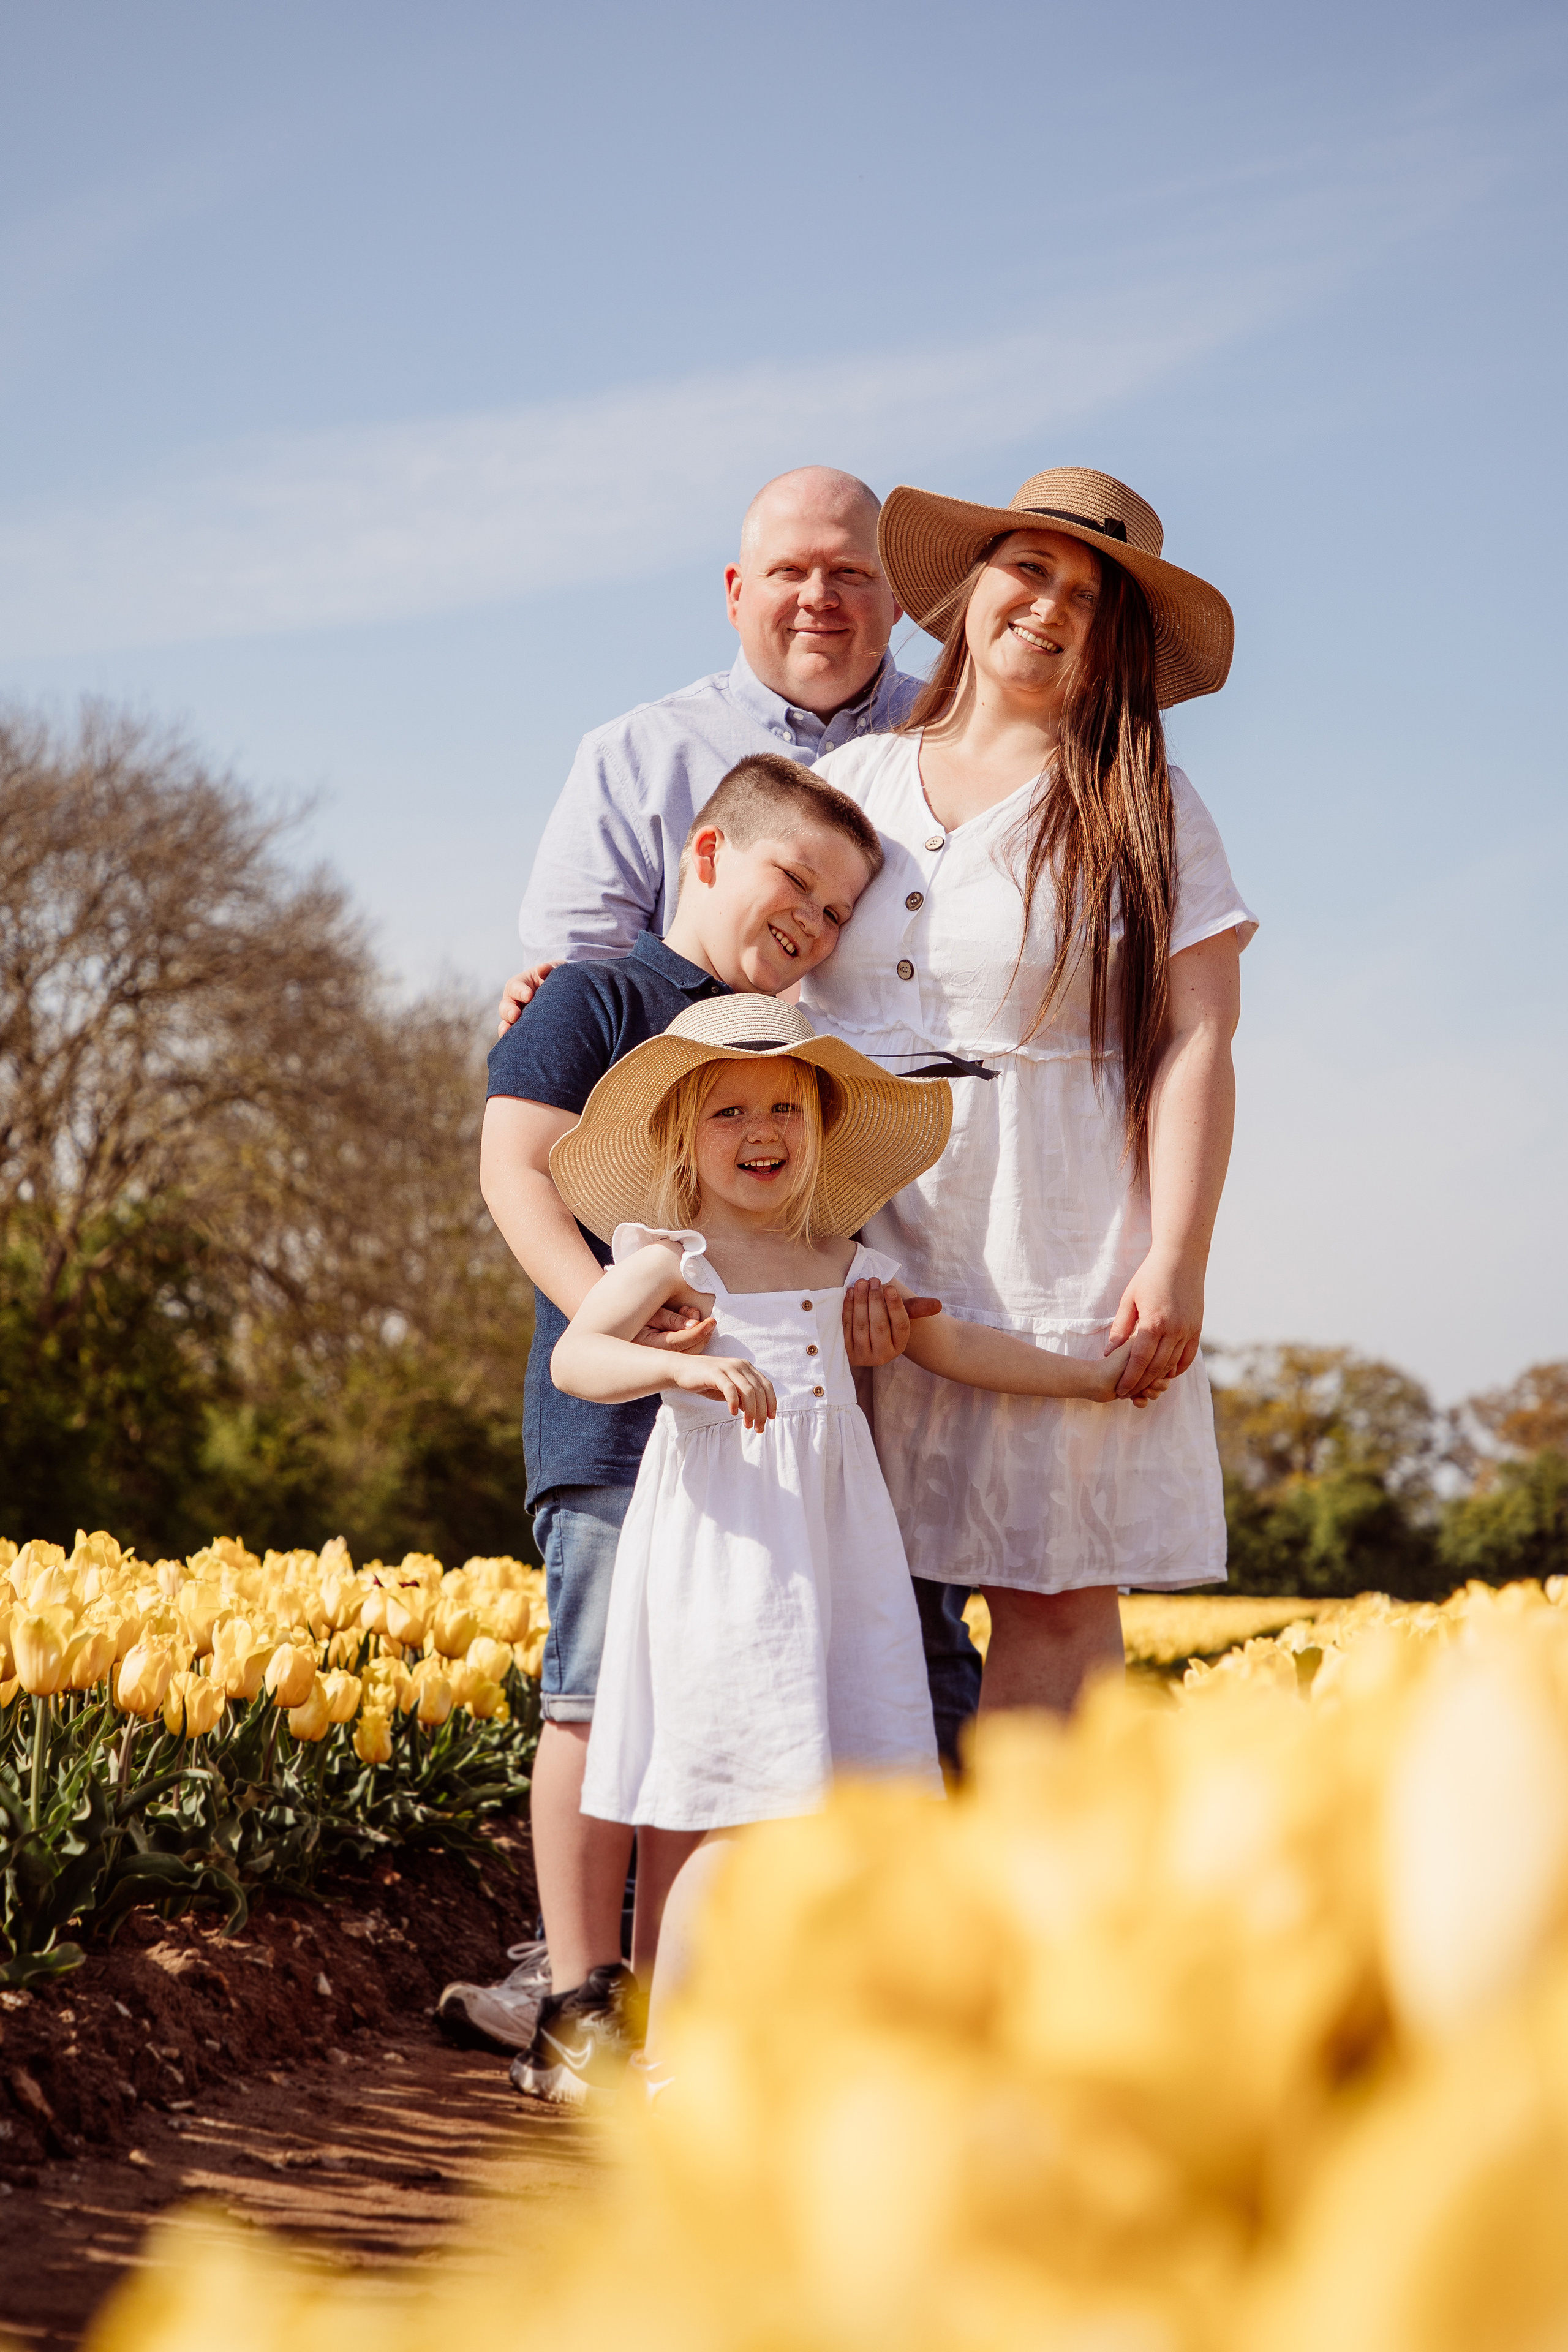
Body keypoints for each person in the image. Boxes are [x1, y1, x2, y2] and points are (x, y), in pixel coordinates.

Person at [545, 995, 1163, 2096]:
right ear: (684, 1138)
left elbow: (958, 1346)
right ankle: (673, 2062)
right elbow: (578, 1361)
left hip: (835, 1561)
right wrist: (677, 1368)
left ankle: (780, 2046)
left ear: (821, 1129)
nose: (760, 1130)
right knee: (735, 1808)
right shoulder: (670, 1259)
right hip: (727, 1559)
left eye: (784, 1106)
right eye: (728, 1111)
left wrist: (1088, 1377)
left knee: (823, 1801)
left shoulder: (844, 1261)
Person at [502, 463, 985, 1766]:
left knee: (895, 1625)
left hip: (888, 1242)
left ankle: (893, 1935)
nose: (818, 598)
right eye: (789, 571)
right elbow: (568, 1026)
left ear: (899, 602)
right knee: (640, 1664)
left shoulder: (955, 750)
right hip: (677, 1277)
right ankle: (594, 1960)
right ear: (735, 592)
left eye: (851, 574)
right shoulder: (636, 757)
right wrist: (627, 1291)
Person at [802, 465, 1258, 1716]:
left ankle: (1022, 1907)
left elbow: (1197, 1043)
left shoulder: (1145, 805)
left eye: (1091, 597)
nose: (1051, 608)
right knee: (831, 1588)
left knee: (1053, 1597)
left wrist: (1174, 1254)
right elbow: (748, 973)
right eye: (1031, 569)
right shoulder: (850, 789)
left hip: (1056, 1242)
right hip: (847, 1227)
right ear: (971, 587)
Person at [480, 753, 893, 2102]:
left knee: (698, 1719)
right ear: (706, 852)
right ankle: (575, 1997)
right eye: (795, 881)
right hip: (610, 1421)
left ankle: (670, 2006)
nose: (813, 925)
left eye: (837, 912)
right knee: (596, 1702)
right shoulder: (598, 993)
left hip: (747, 1457)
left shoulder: (784, 1052)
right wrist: (613, 1314)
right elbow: (515, 1165)